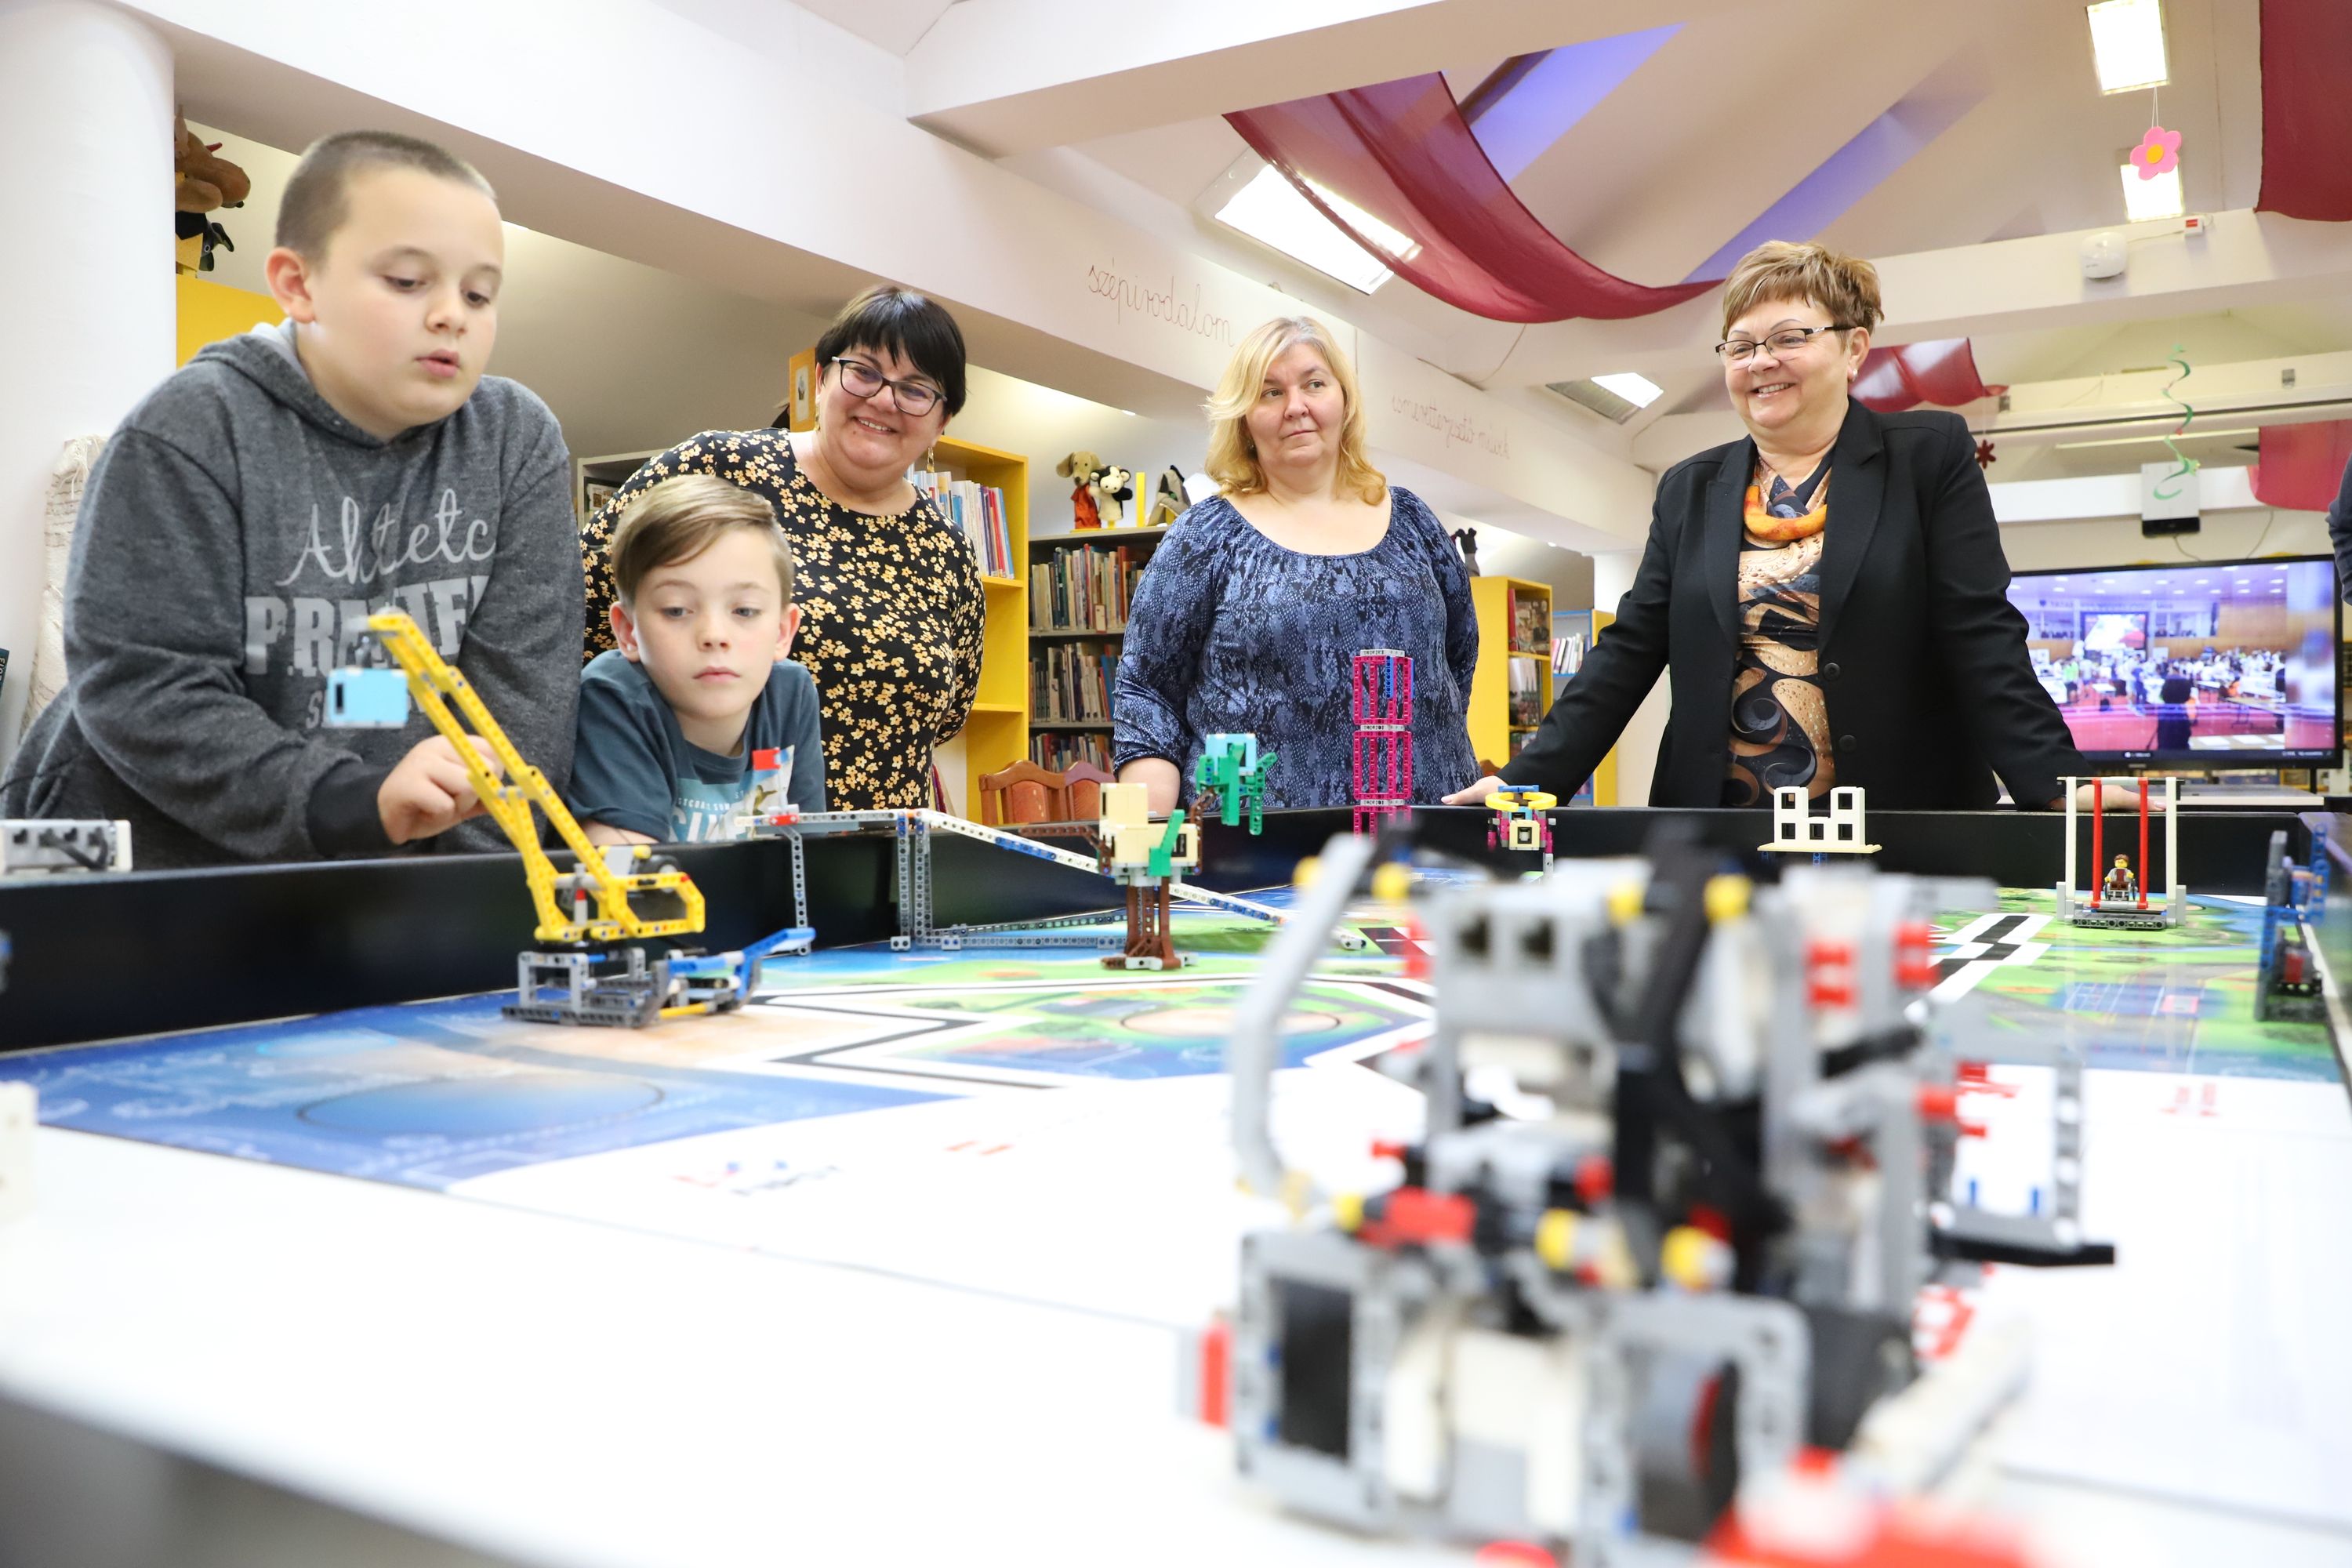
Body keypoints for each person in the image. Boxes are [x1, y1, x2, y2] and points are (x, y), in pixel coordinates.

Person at [1, 130, 580, 866]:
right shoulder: (192, 427)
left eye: (478, 294)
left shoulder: (514, 441)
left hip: (377, 873)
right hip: (130, 859)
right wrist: (352, 807)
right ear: (298, 286)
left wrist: (455, 887)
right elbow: (148, 687)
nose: (451, 315)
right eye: (407, 281)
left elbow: (522, 704)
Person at [1446, 241, 2092, 811]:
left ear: (1854, 348)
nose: (1761, 361)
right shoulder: (1690, 488)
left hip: (1896, 822)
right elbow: (1629, 650)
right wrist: (1528, 780)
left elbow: (1981, 631)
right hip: (1717, 829)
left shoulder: (1928, 455)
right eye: (1742, 346)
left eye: (1789, 338)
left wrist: (2056, 781)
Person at [579, 285, 981, 811]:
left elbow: (949, 715)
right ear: (821, 377)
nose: (885, 399)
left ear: (942, 421)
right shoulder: (716, 466)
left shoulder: (947, 550)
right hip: (684, 832)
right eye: (864, 372)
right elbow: (571, 607)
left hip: (887, 853)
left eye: (916, 389)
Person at [1112, 316, 1479, 812]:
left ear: (1344, 400)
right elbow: (1147, 693)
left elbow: (1456, 658)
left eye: (1314, 384)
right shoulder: (1204, 537)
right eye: (1270, 392)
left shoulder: (1412, 519)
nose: (1296, 407)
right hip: (1256, 841)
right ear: (1243, 419)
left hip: (1422, 834)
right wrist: (1152, 834)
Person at [568, 475, 826, 844]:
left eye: (745, 610)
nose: (714, 635)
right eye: (676, 610)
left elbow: (810, 856)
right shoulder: (610, 697)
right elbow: (627, 873)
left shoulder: (791, 694)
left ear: (783, 632)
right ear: (628, 631)